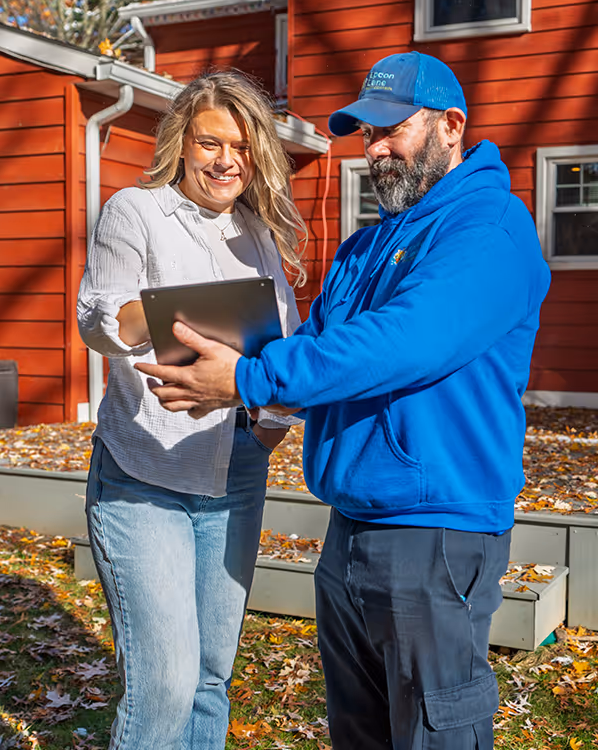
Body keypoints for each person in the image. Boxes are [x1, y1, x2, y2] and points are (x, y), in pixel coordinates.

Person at [136, 52, 551, 750]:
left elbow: (403, 342)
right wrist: (226, 372)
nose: (378, 149)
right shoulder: (365, 248)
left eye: (395, 129)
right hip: (351, 529)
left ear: (453, 126)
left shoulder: (490, 230)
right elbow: (314, 351)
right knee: (359, 732)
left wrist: (246, 377)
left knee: (433, 735)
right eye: (367, 134)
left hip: (436, 533)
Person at [77, 70, 306, 750]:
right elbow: (97, 319)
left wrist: (269, 429)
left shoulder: (257, 233)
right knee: (167, 682)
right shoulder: (134, 211)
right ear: (182, 143)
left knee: (211, 676)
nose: (226, 160)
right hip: (145, 469)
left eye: (241, 146)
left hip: (235, 466)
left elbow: (284, 340)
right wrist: (169, 320)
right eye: (210, 142)